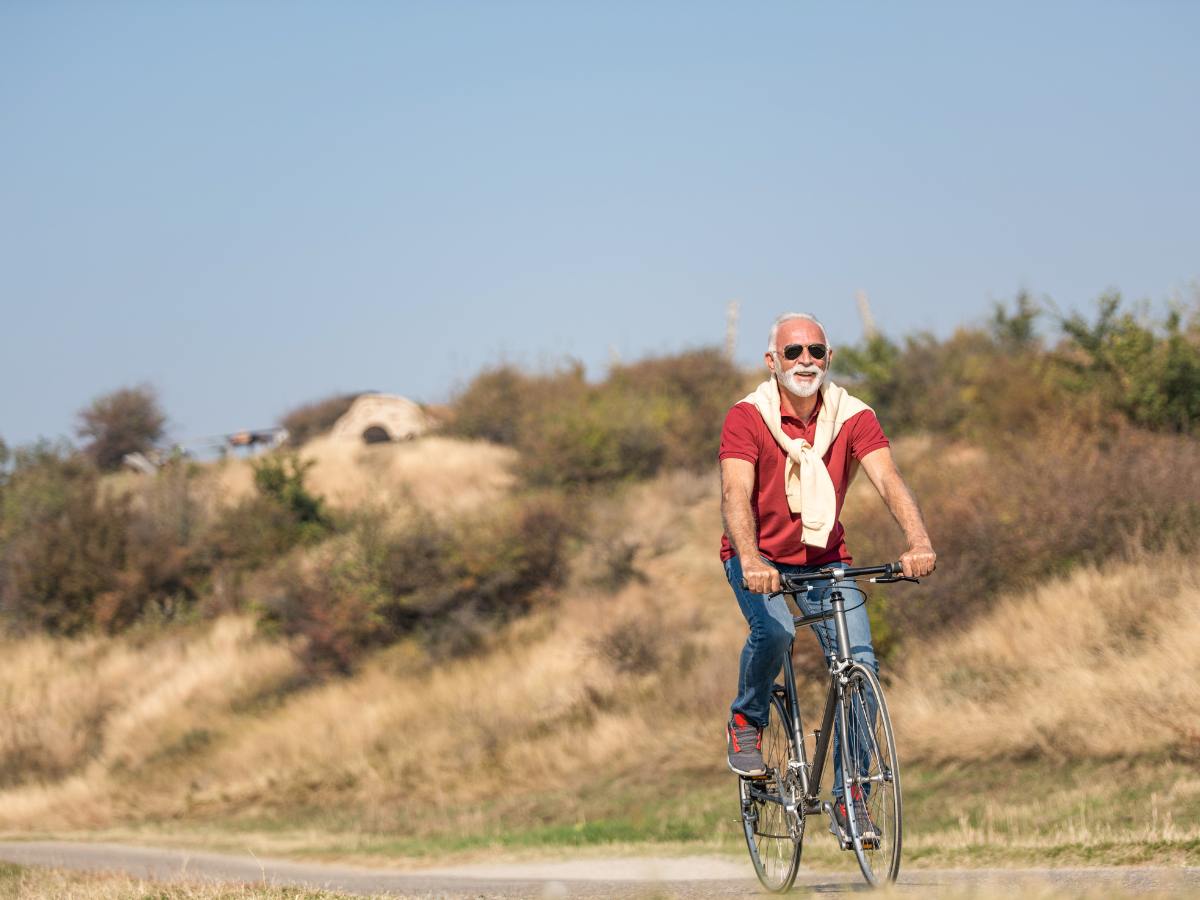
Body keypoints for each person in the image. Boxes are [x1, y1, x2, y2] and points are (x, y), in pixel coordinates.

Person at [719, 311, 936, 844]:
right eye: (793, 352)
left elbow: (888, 478)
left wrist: (919, 542)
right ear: (772, 361)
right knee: (776, 632)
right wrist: (751, 559)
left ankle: (851, 798)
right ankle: (747, 721)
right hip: (759, 559)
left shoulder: (853, 415)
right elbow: (734, 495)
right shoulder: (747, 417)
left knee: (858, 665)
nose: (806, 361)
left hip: (824, 561)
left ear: (829, 358)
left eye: (816, 351)